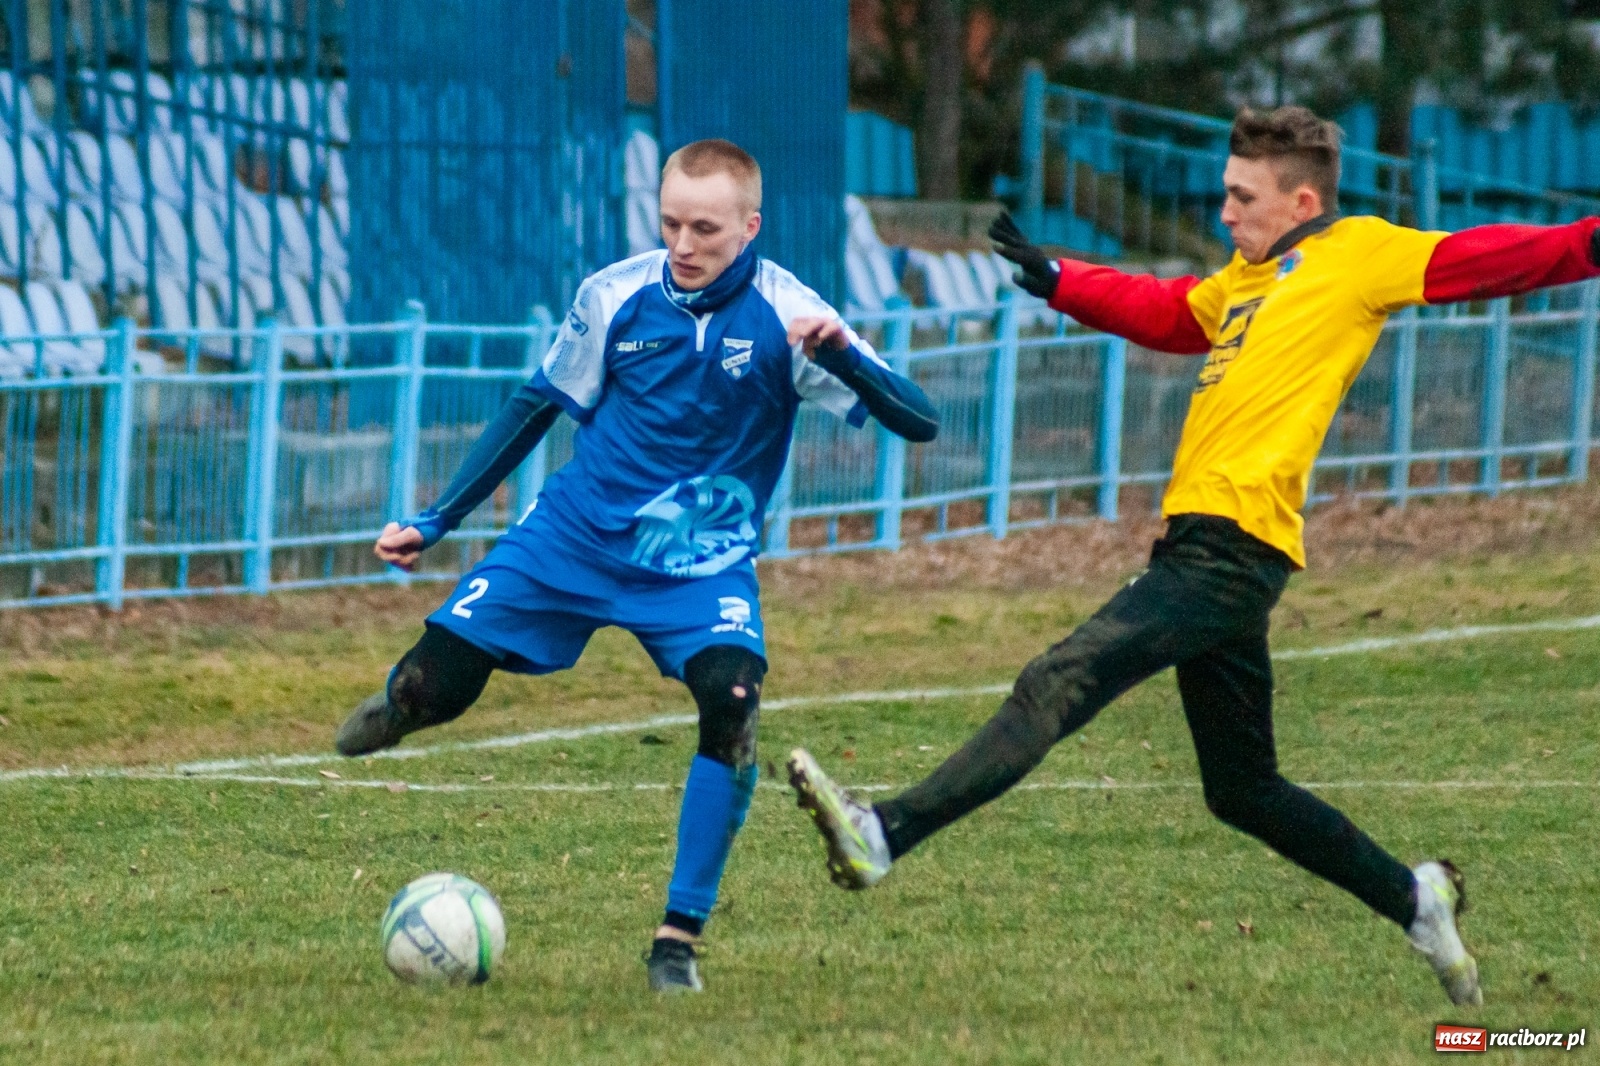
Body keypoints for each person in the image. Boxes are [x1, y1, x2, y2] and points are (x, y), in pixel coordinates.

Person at [786, 105, 1600, 1007]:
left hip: (1229, 553)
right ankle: (1416, 902)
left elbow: (1486, 258)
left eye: (1242, 197)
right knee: (1243, 788)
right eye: (1224, 193)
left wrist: (1590, 242)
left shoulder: (1359, 253)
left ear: (1301, 202)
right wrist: (1061, 279)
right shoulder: (1244, 280)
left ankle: (884, 835)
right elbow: (1172, 313)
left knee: (1057, 679)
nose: (1225, 212)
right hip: (1212, 548)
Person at [334, 138, 939, 993]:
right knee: (429, 687)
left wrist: (839, 355)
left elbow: (920, 420)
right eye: (670, 224)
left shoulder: (791, 313)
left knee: (733, 700)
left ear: (750, 227)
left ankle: (676, 942)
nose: (683, 245)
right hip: (573, 538)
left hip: (702, 561)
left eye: (705, 229)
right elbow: (535, 407)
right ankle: (404, 705)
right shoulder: (614, 294)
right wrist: (437, 520)